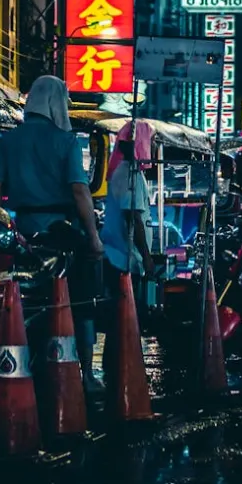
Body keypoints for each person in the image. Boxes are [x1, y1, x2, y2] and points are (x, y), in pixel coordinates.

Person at [0, 75, 104, 389]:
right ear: (56, 103)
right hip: (60, 233)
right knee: (82, 300)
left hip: (22, 235)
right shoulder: (66, 141)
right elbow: (80, 192)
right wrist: (93, 239)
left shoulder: (8, 141)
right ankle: (88, 374)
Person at [100, 120, 155, 387]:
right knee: (124, 316)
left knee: (122, 316)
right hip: (123, 256)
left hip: (121, 254)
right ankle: (121, 370)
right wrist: (147, 255)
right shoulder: (130, 173)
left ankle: (119, 365)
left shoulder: (127, 171)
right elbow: (132, 215)